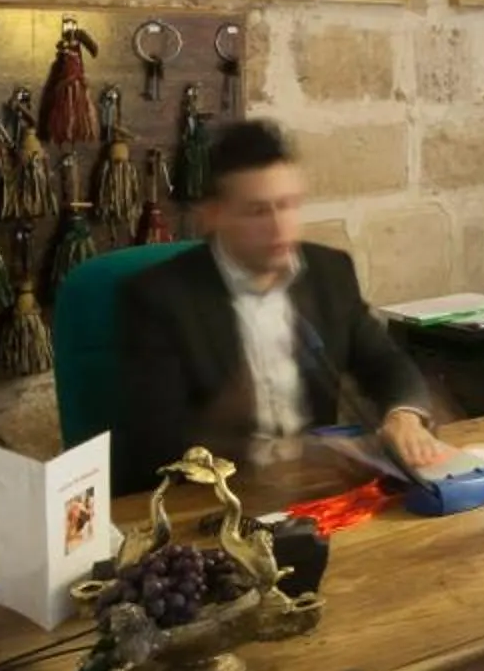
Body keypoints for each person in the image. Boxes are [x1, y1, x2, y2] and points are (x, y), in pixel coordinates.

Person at [113, 120, 449, 490]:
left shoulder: (329, 273)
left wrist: (403, 416)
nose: (280, 228)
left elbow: (385, 361)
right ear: (213, 216)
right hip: (216, 497)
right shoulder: (158, 298)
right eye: (258, 211)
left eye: (288, 205)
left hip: (319, 492)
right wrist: (280, 443)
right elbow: (152, 447)